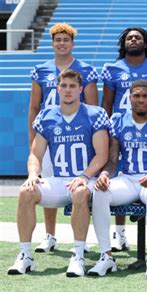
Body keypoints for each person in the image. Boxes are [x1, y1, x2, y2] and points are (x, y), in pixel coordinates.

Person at [8, 69, 109, 277]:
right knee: (26, 192)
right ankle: (25, 255)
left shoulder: (94, 114)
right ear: (57, 88)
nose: (68, 90)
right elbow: (36, 154)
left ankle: (78, 255)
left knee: (80, 192)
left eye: (73, 86)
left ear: (81, 89)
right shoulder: (47, 115)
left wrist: (83, 176)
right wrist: (33, 174)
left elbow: (102, 155)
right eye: (64, 86)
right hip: (59, 180)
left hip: (86, 179)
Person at [89, 80, 147, 277]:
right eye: (136, 96)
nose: (140, 100)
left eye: (145, 96)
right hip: (128, 179)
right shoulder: (118, 121)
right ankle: (106, 256)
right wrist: (103, 174)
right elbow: (112, 160)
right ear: (129, 98)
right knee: (100, 191)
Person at [28, 23, 99, 253]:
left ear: (72, 44)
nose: (61, 43)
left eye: (65, 40)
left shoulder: (85, 69)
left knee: (82, 185)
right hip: (49, 134)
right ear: (52, 43)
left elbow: (92, 106)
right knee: (48, 182)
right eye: (57, 40)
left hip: (77, 134)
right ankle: (50, 234)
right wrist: (33, 138)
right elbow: (34, 106)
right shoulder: (41, 69)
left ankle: (82, 238)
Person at [101, 27, 147, 251]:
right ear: (124, 42)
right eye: (129, 37)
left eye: (137, 37)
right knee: (117, 174)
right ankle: (119, 234)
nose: (133, 40)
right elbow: (107, 104)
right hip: (121, 129)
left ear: (145, 42)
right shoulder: (112, 68)